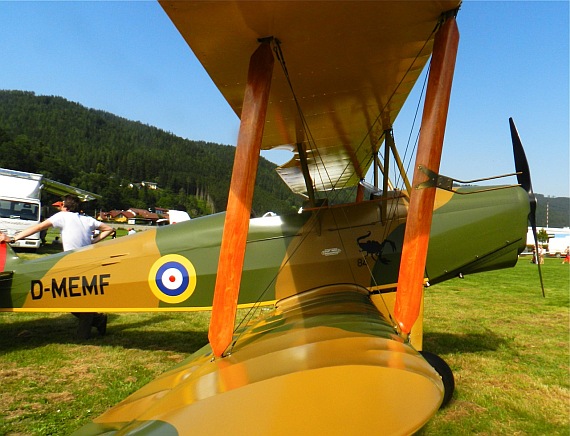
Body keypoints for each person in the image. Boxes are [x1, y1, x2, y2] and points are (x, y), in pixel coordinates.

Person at [0, 195, 114, 339]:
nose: (59, 207)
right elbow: (109, 228)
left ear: (65, 207)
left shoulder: (63, 216)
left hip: (72, 262)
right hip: (87, 261)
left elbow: (39, 227)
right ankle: (95, 322)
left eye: (61, 205)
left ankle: (89, 328)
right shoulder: (87, 219)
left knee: (66, 296)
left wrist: (14, 238)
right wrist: (93, 241)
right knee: (79, 296)